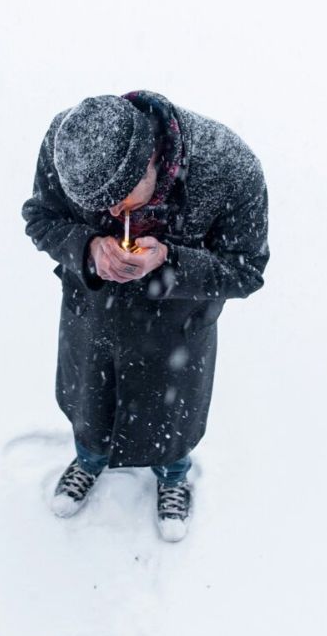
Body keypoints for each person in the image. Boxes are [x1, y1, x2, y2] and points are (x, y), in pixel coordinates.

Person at [21, 90, 270, 541]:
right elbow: (40, 217)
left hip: (176, 334)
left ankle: (173, 478)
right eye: (99, 205)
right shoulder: (67, 142)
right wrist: (87, 247)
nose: (113, 213)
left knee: (170, 426)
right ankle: (89, 460)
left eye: (120, 199)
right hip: (93, 320)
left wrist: (171, 262)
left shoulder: (230, 167)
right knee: (90, 411)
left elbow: (247, 270)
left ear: (151, 159)